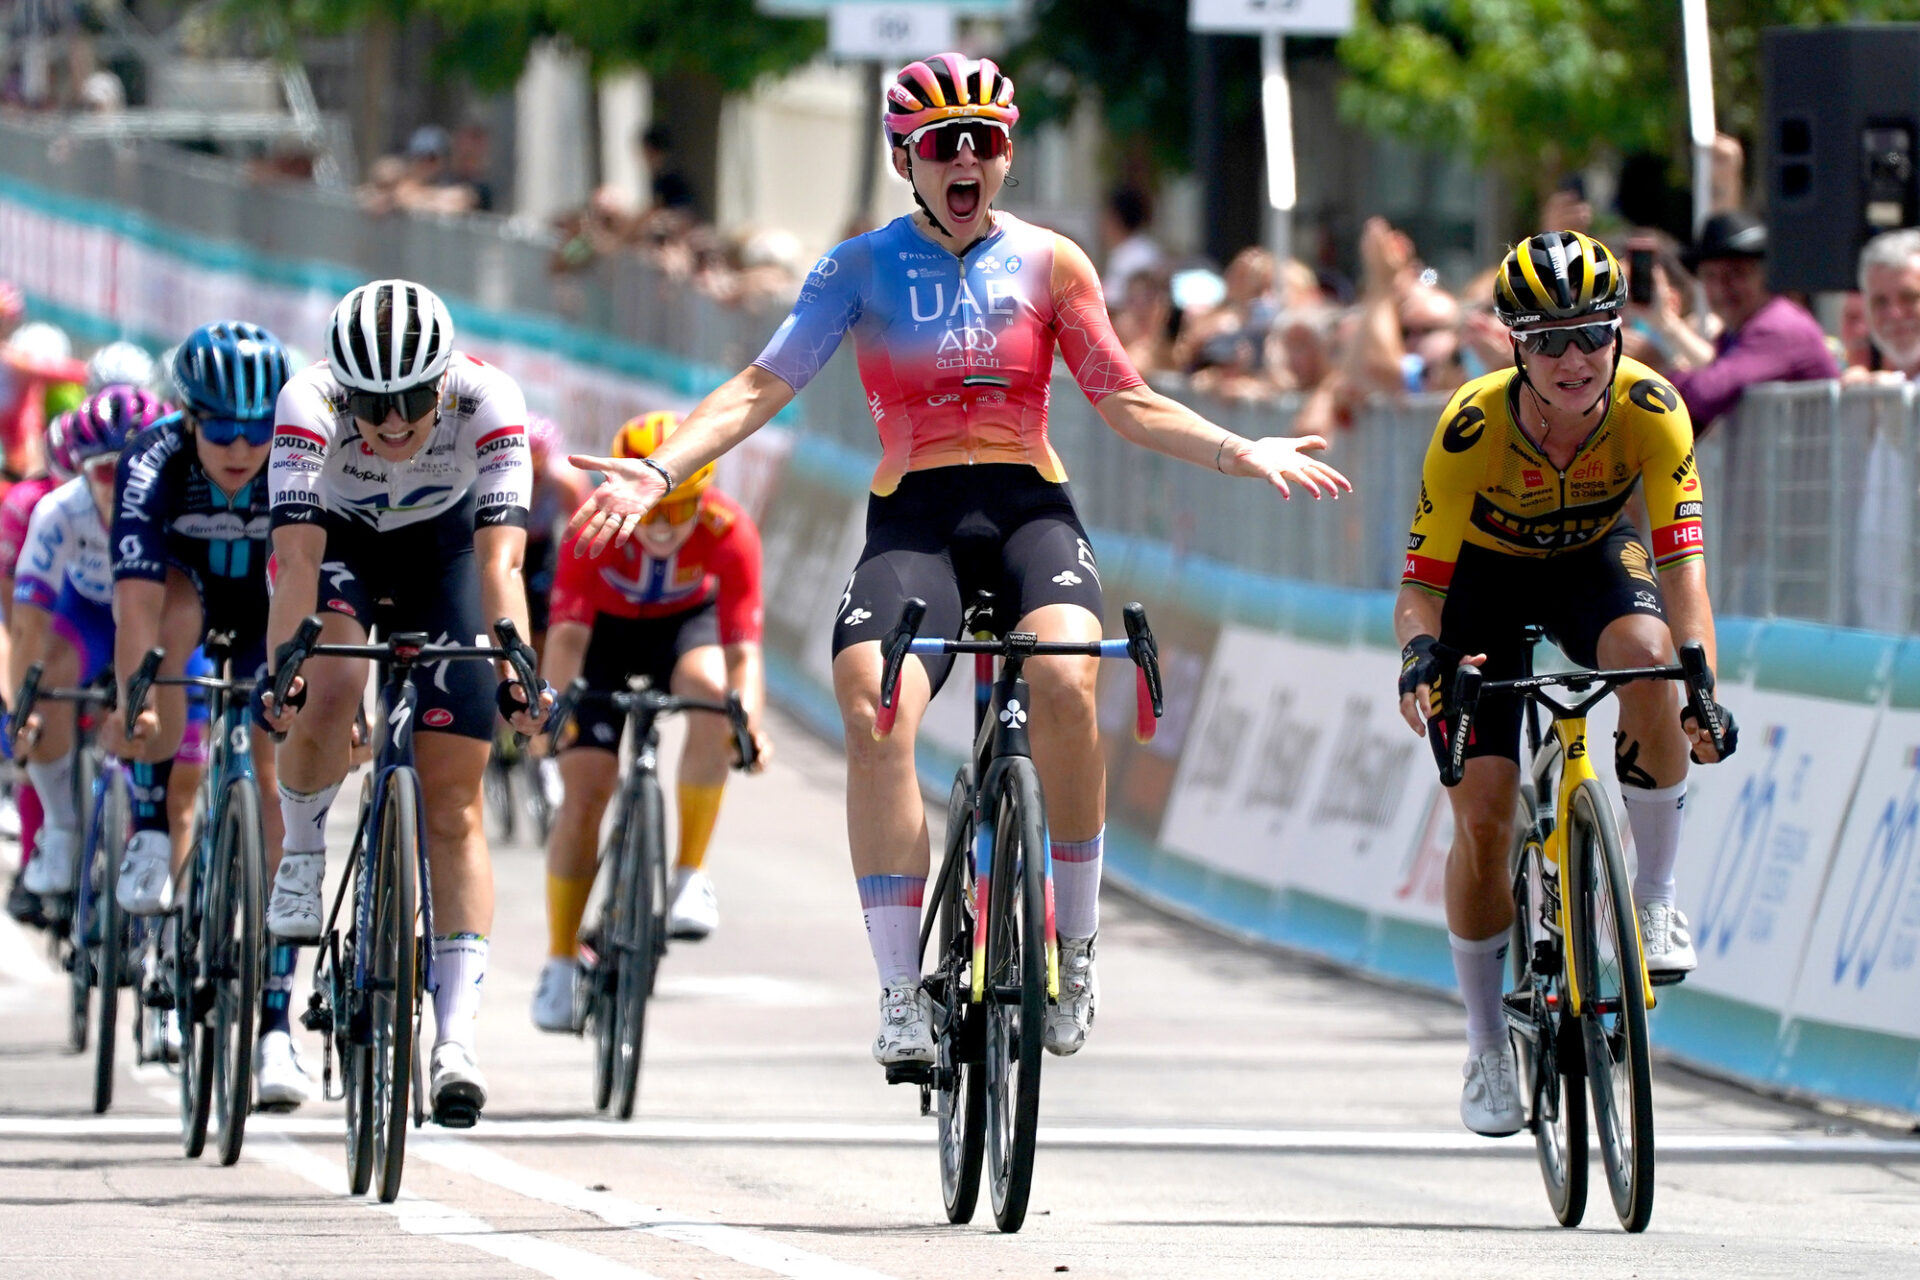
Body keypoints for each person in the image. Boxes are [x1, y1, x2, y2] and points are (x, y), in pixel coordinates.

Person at [564, 52, 1349, 1068]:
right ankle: (900, 991)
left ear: (1009, 154)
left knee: (1067, 679)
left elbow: (1126, 397)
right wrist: (658, 469)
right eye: (944, 144)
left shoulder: (1055, 263)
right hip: (916, 518)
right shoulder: (858, 269)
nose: (967, 158)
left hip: (1030, 509)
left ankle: (1074, 944)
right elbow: (760, 388)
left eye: (987, 140)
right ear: (907, 158)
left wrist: (1244, 449)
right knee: (873, 706)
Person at [1393, 231, 1739, 1137]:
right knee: (1484, 812)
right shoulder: (1470, 426)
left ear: (1620, 335)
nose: (1573, 358)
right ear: (1514, 346)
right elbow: (1421, 591)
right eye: (1548, 340)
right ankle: (1481, 1043)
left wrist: (1698, 678)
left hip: (1591, 558)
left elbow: (1685, 569)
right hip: (1483, 584)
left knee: (1649, 650)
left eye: (1591, 334)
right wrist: (1419, 661)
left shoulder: (1653, 409)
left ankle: (1656, 900)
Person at [258, 279, 549, 1124]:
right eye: (372, 403)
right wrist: (289, 668)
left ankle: (455, 1038)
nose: (390, 423)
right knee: (336, 676)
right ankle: (305, 854)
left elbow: (501, 567)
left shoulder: (489, 397)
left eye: (412, 400)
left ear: (444, 380)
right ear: (343, 387)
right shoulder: (307, 401)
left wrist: (515, 665)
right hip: (342, 548)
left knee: (454, 802)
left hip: (445, 554)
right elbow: (299, 563)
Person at [110, 321, 314, 1105]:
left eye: (258, 428)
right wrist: (138, 706)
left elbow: (318, 595)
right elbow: (135, 609)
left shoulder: (298, 458)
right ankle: (155, 827)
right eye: (220, 428)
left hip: (269, 601)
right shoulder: (153, 460)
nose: (240, 446)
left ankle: (272, 1029)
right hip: (184, 596)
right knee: (171, 625)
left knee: (274, 781)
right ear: (187, 417)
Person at [531, 410, 769, 1031]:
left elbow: (744, 653)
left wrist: (751, 726)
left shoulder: (728, 529)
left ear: (703, 495)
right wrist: (546, 720)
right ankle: (559, 964)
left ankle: (690, 875)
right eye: (653, 510)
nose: (663, 526)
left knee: (712, 694)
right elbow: (565, 642)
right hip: (602, 640)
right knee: (585, 792)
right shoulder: (595, 526)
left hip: (679, 633)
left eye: (678, 508)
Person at [10, 388, 170, 902]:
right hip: (90, 615)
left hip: (160, 618)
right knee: (45, 683)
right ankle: (60, 829)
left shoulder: (173, 506)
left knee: (178, 708)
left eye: (133, 469)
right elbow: (26, 627)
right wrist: (22, 707)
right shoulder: (58, 512)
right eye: (106, 471)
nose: (120, 484)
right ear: (81, 471)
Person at [1624, 211, 1838, 433]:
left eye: (1737, 273)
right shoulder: (1738, 333)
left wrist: (1655, 368)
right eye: (1710, 276)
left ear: (1768, 275)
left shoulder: (1780, 328)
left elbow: (1706, 394)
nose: (1722, 288)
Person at [0, 407, 75, 926]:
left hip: (95, 616)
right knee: (36, 723)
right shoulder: (30, 503)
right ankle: (31, 862)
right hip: (39, 613)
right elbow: (10, 600)